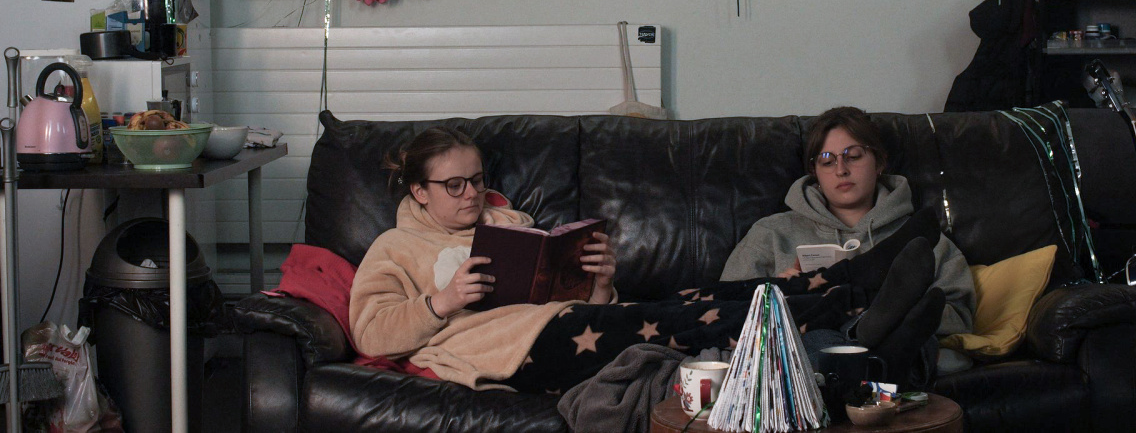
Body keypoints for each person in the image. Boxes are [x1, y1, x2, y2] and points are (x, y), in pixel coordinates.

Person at [349, 126, 955, 393]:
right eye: (454, 185)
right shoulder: (395, 248)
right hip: (512, 351)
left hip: (570, 323)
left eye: (478, 179)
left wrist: (599, 282)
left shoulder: (515, 227)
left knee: (694, 300)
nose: (472, 194)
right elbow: (370, 332)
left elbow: (584, 303)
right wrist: (441, 302)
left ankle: (850, 291)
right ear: (419, 192)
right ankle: (852, 297)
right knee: (683, 321)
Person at [722, 106, 976, 380]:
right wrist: (781, 290)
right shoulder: (771, 232)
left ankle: (875, 331)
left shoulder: (921, 237)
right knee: (819, 337)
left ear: (879, 162)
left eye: (853, 156)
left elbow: (959, 315)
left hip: (894, 343)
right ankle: (879, 357)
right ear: (815, 172)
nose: (841, 170)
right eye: (827, 161)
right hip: (811, 342)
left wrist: (895, 309)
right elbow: (725, 309)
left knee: (910, 334)